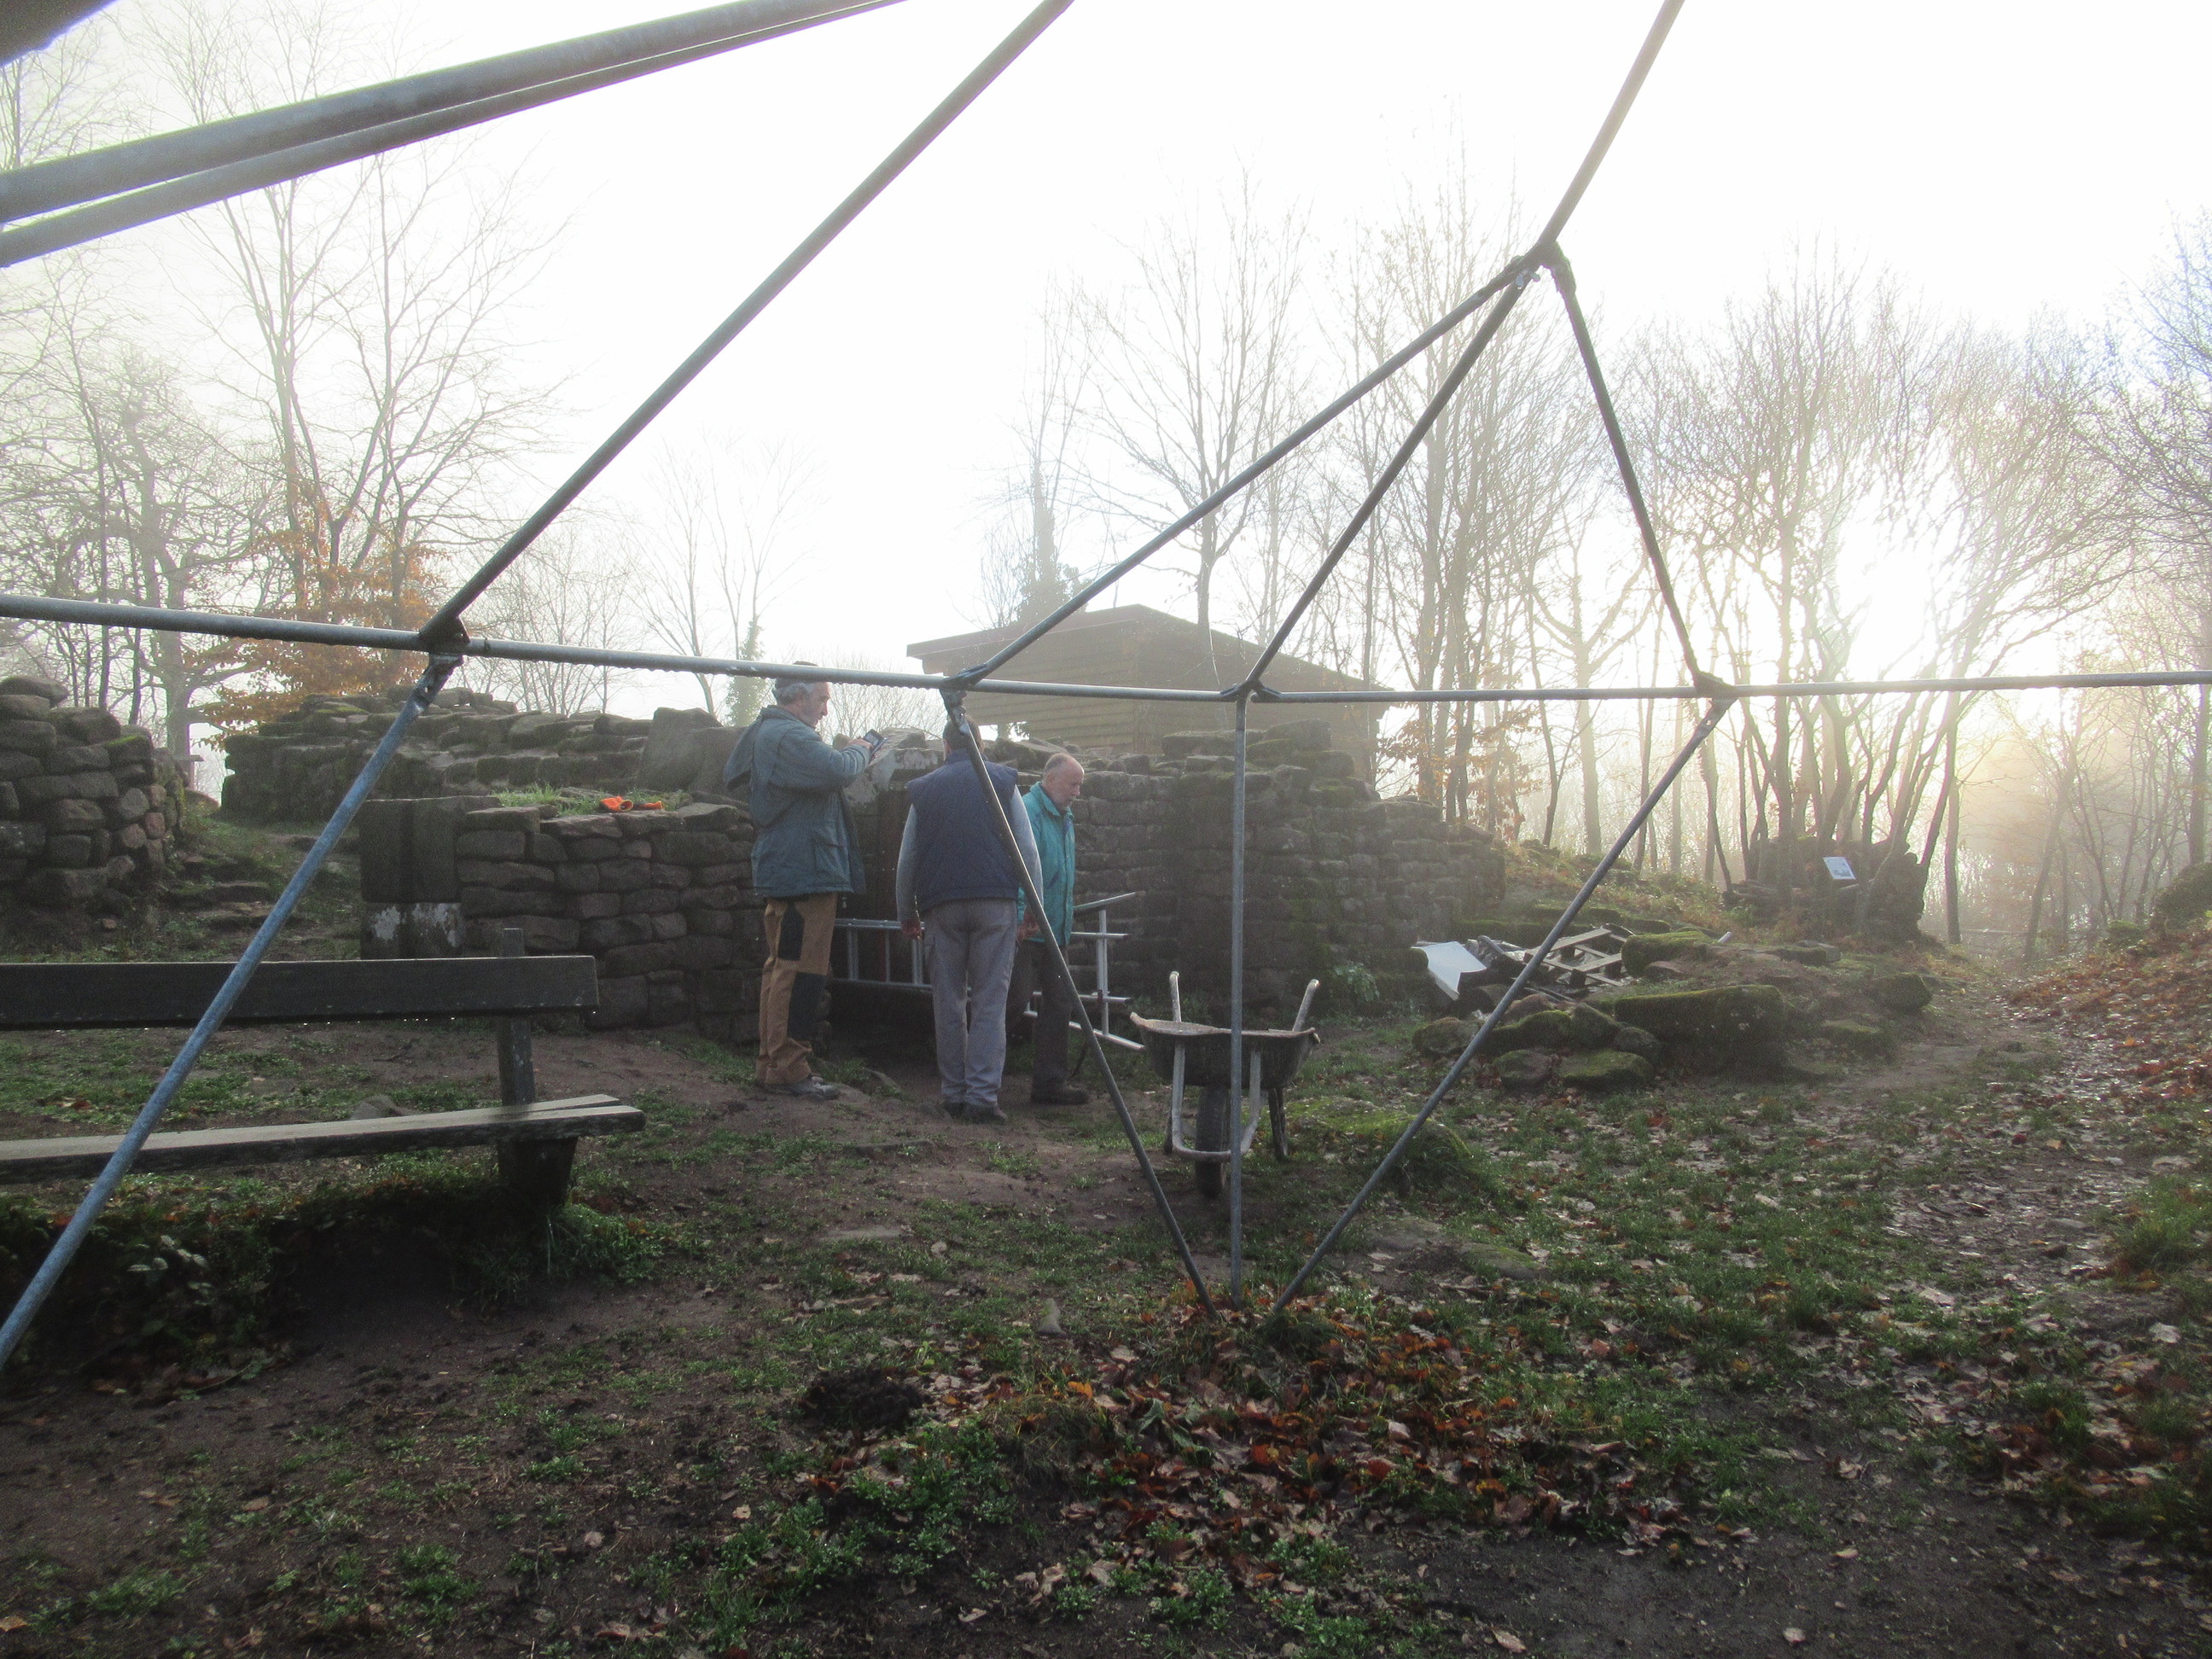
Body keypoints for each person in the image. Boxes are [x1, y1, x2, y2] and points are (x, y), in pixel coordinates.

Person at [725, 672, 882, 1099]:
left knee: (781, 968)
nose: (826, 710)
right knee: (800, 971)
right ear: (798, 696)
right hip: (804, 873)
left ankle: (772, 1063)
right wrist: (861, 748)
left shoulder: (767, 732)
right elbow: (838, 769)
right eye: (823, 699)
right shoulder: (790, 736)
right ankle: (789, 1067)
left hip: (789, 870)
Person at [895, 722, 1041, 1124]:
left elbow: (907, 859)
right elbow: (1027, 849)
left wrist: (906, 912)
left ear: (946, 746)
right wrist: (1034, 905)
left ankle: (953, 1093)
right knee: (991, 1001)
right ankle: (982, 1097)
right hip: (995, 903)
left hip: (941, 906)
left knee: (948, 1001)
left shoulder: (924, 789)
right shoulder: (1003, 781)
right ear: (981, 744)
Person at [1004, 752, 1089, 1106]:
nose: (1077, 793)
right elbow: (1018, 868)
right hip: (1028, 930)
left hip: (1055, 930)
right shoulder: (1028, 812)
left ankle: (1049, 1084)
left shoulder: (1064, 817)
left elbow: (1060, 874)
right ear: (1051, 779)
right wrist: (1020, 918)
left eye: (1080, 786)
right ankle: (976, 1073)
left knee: (1059, 1003)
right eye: (1073, 784)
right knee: (1011, 1001)